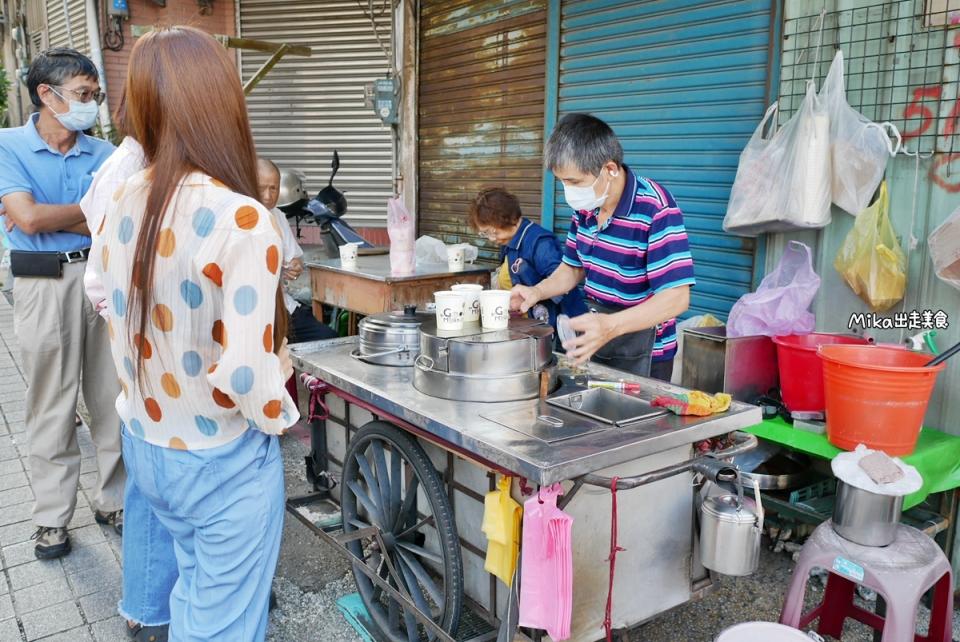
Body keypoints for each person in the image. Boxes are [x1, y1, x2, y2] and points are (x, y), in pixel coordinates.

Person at [90, 26, 298, 641]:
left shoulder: (123, 195)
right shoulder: (244, 220)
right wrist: (281, 409)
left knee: (193, 594)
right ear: (222, 102)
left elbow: (111, 311)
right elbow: (243, 373)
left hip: (147, 443)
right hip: (220, 456)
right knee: (222, 623)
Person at [0, 47, 124, 559]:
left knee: (111, 397)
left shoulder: (106, 153)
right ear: (46, 95)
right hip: (43, 283)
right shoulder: (8, 145)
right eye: (82, 95)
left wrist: (63, 216)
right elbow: (26, 221)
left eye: (94, 95)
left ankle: (113, 499)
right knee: (51, 402)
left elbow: (119, 222)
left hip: (102, 276)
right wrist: (91, 211)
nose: (91, 104)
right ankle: (52, 518)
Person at [511, 113, 695, 381]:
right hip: (598, 335)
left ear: (609, 169)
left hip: (645, 351)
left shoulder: (655, 208)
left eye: (574, 182)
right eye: (562, 182)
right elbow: (572, 269)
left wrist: (610, 326)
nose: (568, 191)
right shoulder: (587, 206)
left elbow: (677, 298)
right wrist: (536, 291)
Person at [468, 187, 586, 329]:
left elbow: (562, 284)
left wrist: (531, 294)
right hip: (527, 324)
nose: (491, 238)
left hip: (558, 326)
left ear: (509, 218)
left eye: (492, 232)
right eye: (485, 234)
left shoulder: (540, 242)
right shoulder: (507, 242)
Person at [256, 158, 336, 343]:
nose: (268, 196)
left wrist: (294, 266)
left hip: (284, 306)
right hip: (256, 310)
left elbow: (296, 259)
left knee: (327, 339)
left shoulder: (278, 216)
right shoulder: (239, 218)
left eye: (273, 188)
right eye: (262, 188)